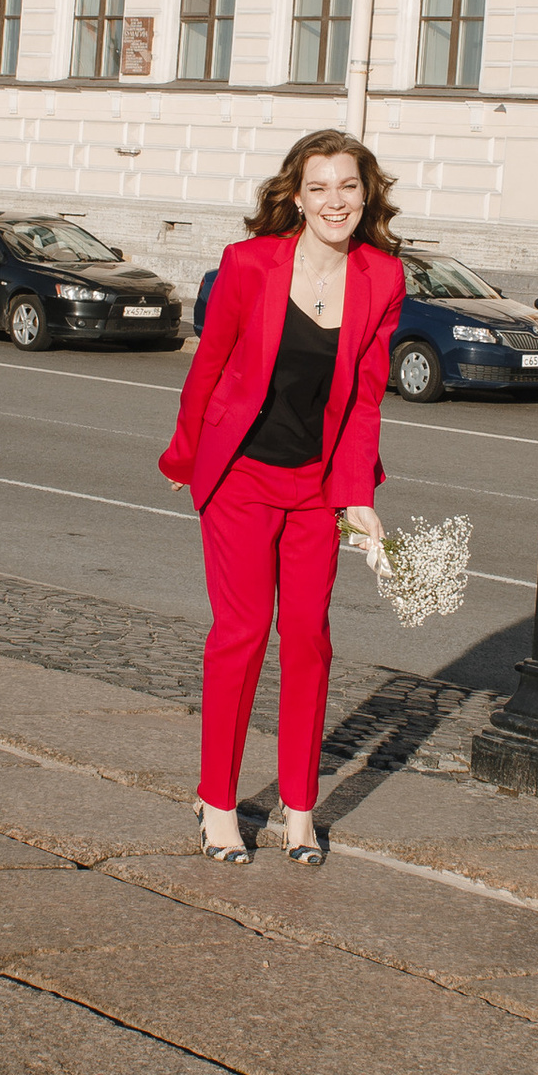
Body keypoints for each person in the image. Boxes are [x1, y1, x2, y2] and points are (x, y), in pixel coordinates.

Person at [161, 128, 405, 865]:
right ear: (295, 196)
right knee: (241, 635)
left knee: (307, 637)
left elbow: (364, 399)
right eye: (319, 187)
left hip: (316, 486)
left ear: (367, 195)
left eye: (348, 186)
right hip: (241, 476)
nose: (335, 201)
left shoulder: (383, 278)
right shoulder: (249, 264)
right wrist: (184, 458)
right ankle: (218, 804)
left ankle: (300, 809)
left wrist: (358, 497)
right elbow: (209, 367)